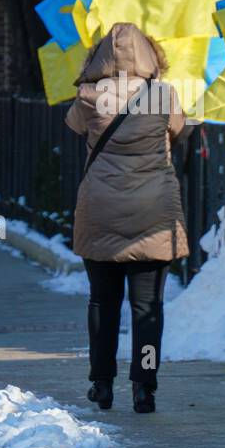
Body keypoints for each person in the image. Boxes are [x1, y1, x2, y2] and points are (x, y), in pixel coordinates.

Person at [64, 22, 188, 414]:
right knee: (147, 308)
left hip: (100, 209)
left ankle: (101, 384)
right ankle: (144, 387)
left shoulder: (88, 97)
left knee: (102, 302)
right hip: (152, 213)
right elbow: (178, 132)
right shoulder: (163, 95)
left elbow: (74, 128)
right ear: (151, 55)